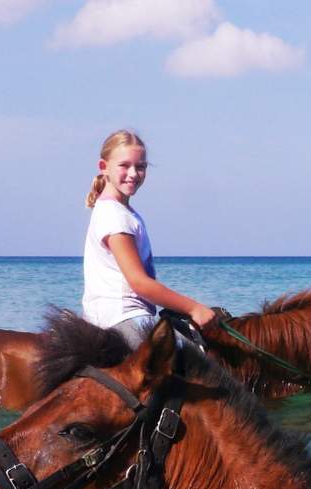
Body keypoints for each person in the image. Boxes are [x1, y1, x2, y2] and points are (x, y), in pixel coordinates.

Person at [81, 130, 215, 347]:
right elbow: (139, 282)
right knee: (198, 363)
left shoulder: (121, 212)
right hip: (123, 318)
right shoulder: (115, 217)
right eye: (124, 165)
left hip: (121, 316)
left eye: (140, 167)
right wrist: (194, 308)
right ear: (103, 167)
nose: (133, 173)